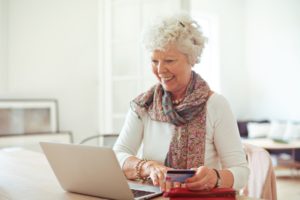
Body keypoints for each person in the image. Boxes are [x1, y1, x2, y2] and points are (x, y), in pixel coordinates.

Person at [113, 12, 249, 192]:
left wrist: (214, 177)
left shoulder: (216, 105)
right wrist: (147, 167)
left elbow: (241, 172)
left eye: (169, 60)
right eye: (154, 61)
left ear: (191, 60)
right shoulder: (143, 105)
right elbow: (116, 156)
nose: (160, 70)